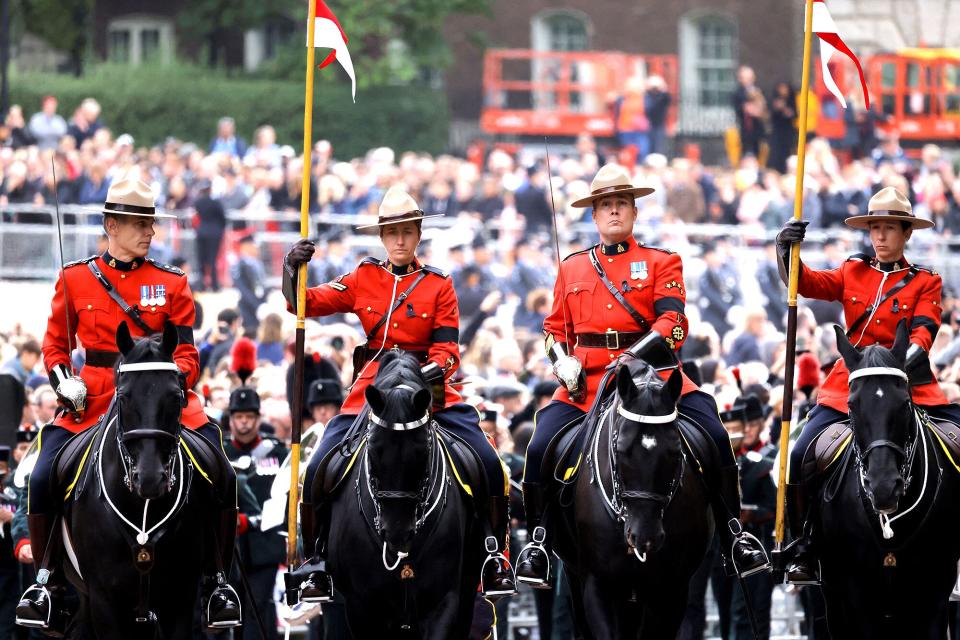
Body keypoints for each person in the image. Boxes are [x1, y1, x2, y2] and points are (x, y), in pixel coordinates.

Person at [514, 163, 770, 588]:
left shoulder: (661, 261)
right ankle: (539, 542)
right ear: (594, 216)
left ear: (633, 212)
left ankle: (733, 535)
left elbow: (673, 323)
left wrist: (629, 357)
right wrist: (561, 362)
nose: (613, 212)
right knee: (540, 444)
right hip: (587, 382)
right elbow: (553, 330)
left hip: (655, 377)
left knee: (714, 432)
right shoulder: (572, 267)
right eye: (605, 206)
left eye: (621, 204)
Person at [15, 176, 242, 633]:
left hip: (157, 399)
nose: (149, 233)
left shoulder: (171, 282)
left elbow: (187, 353)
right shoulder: (75, 278)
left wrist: (171, 384)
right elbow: (56, 347)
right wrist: (64, 383)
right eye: (139, 223)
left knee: (222, 466)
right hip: (95, 396)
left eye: (151, 224)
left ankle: (217, 582)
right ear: (111, 225)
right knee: (42, 475)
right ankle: (46, 581)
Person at [282, 185, 516, 602]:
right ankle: (316, 562)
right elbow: (305, 304)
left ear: (419, 232)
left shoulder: (439, 284)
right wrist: (291, 270)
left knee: (487, 461)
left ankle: (494, 555)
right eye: (392, 233)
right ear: (382, 237)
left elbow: (447, 351)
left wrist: (419, 377)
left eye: (408, 231)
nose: (400, 240)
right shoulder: (362, 276)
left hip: (428, 391)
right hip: (372, 390)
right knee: (318, 468)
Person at [777, 186, 960, 584]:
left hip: (908, 383)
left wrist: (897, 365)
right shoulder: (851, 270)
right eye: (875, 227)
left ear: (906, 233)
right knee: (801, 451)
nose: (880, 236)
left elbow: (926, 331)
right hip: (850, 385)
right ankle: (803, 545)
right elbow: (806, 283)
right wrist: (786, 252)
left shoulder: (926, 281)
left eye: (889, 228)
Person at [223, 387, 288, 640]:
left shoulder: (278, 453)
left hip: (265, 545)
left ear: (258, 418)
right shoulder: (221, 452)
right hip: (230, 549)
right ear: (231, 419)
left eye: (249, 416)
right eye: (239, 417)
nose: (244, 422)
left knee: (258, 608)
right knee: (230, 610)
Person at [231, 233, 269, 333]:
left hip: (259, 304)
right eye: (253, 245)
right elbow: (242, 288)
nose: (257, 249)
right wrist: (257, 305)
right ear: (246, 246)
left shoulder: (257, 263)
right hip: (247, 307)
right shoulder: (240, 264)